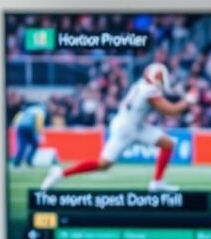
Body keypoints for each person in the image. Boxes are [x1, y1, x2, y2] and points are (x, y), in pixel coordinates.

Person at [40, 64, 195, 194]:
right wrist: (188, 100)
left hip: (133, 124)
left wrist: (181, 95)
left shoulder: (142, 84)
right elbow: (171, 111)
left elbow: (164, 95)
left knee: (167, 144)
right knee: (103, 165)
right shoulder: (150, 91)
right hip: (126, 129)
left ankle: (157, 183)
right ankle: (60, 174)